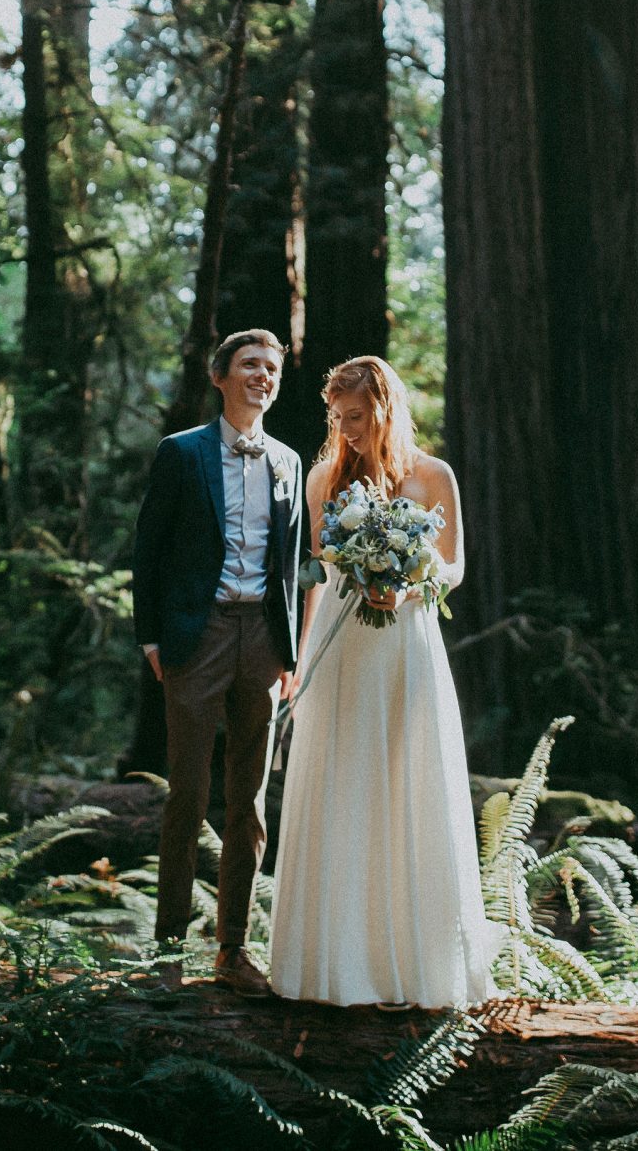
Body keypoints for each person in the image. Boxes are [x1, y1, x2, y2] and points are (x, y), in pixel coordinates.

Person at [266, 355, 501, 1008]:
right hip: (341, 645)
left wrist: (414, 576)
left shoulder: (433, 474)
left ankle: (414, 967)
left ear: (387, 409)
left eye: (359, 417)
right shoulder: (323, 477)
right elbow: (315, 575)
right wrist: (299, 666)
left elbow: (454, 565)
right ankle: (332, 965)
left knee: (408, 781)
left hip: (407, 644)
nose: (349, 430)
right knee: (343, 789)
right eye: (338, 418)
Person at [129, 329, 305, 994]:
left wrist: (288, 649)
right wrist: (151, 637)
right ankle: (166, 952)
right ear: (220, 376)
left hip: (262, 638)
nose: (263, 376)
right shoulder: (181, 454)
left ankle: (233, 949)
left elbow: (289, 565)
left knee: (250, 800)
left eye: (272, 368)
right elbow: (150, 550)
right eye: (251, 365)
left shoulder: (287, 460)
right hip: (195, 636)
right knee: (189, 795)